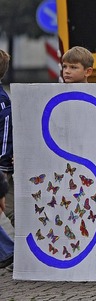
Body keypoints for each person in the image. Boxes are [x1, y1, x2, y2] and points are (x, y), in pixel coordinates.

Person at [0, 50, 13, 229]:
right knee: (10, 208)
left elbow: (5, 134)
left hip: (1, 166)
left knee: (9, 208)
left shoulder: (2, 100)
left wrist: (2, 165)